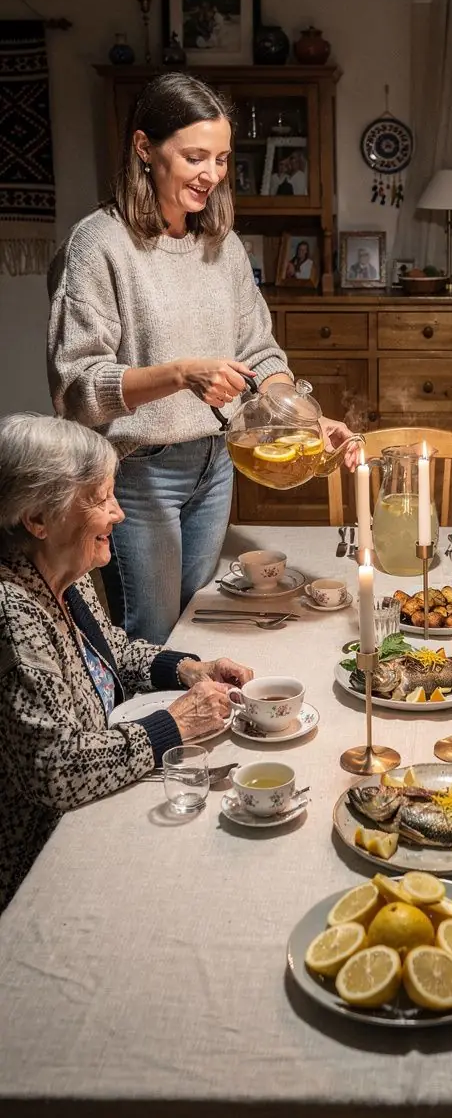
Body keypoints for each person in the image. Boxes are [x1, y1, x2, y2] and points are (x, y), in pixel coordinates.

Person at [47, 71, 356, 644]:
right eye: (195, 157)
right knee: (155, 636)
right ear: (144, 148)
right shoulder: (98, 245)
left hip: (216, 465)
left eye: (221, 158)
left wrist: (306, 420)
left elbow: (259, 350)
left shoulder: (222, 244)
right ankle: (143, 732)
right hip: (139, 474)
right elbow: (78, 388)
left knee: (200, 630)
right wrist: (181, 374)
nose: (212, 175)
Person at [0, 414, 253, 913]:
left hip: (96, 802)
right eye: (100, 499)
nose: (119, 514)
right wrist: (174, 725)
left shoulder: (58, 573)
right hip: (43, 856)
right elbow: (57, 771)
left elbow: (111, 652)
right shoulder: (11, 612)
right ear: (37, 519)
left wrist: (188, 669)